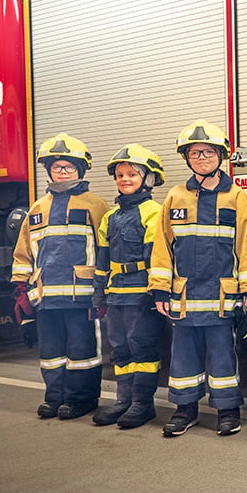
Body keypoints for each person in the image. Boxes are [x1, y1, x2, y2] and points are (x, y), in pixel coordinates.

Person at [148, 120, 247, 437]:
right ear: (186, 157)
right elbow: (162, 247)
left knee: (223, 357)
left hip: (222, 297)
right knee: (183, 358)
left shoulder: (236, 197)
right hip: (183, 298)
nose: (201, 157)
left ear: (221, 156)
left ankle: (227, 409)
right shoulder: (175, 197)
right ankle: (185, 409)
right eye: (195, 152)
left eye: (208, 151)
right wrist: (159, 291)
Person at [12, 133, 110, 420]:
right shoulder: (37, 208)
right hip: (46, 298)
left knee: (83, 352)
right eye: (56, 167)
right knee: (51, 352)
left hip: (82, 298)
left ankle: (82, 400)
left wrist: (102, 291)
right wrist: (21, 289)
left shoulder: (96, 204)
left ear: (80, 170)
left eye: (67, 167)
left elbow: (107, 250)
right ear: (48, 171)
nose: (62, 172)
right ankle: (54, 397)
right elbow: (23, 253)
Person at [91, 145, 167, 429]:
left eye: (132, 174)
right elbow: (102, 260)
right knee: (120, 348)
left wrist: (155, 291)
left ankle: (142, 403)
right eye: (120, 175)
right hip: (116, 293)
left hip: (141, 293)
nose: (124, 179)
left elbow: (157, 258)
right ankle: (123, 400)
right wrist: (99, 292)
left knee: (142, 348)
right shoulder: (110, 217)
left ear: (148, 179)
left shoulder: (154, 213)